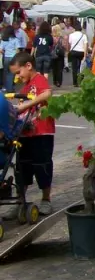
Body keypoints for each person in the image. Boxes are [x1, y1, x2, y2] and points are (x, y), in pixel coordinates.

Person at [8, 52, 55, 216]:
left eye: (18, 73)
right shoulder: (26, 86)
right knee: (22, 167)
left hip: (41, 132)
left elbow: (47, 93)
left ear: (28, 66)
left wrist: (26, 105)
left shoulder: (39, 80)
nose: (17, 77)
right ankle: (21, 201)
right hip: (25, 133)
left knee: (42, 165)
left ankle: (46, 199)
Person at [0, 25, 21, 92]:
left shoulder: (4, 40)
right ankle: (10, 88)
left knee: (6, 73)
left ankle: (6, 87)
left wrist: (4, 53)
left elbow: (0, 50)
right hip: (13, 57)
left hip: (6, 57)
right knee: (12, 73)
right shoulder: (15, 39)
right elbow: (18, 50)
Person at [51, 22, 67, 88]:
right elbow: (65, 46)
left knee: (54, 69)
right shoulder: (61, 38)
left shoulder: (51, 38)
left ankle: (54, 81)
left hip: (53, 54)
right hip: (60, 54)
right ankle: (59, 82)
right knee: (60, 69)